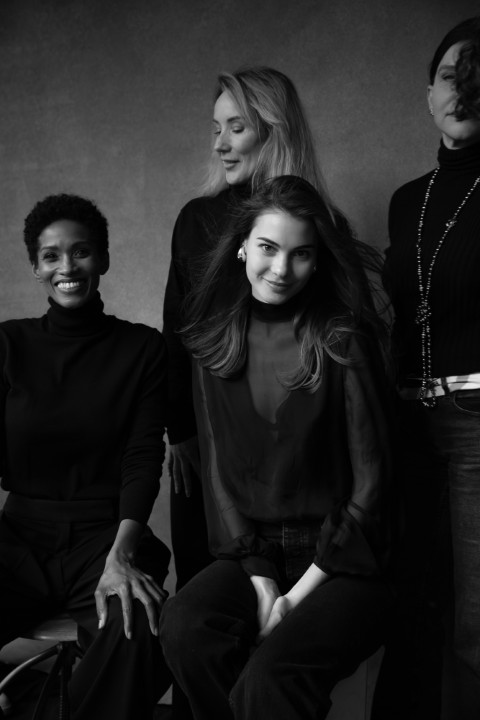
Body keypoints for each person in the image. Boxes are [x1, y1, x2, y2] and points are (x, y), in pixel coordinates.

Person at [159, 175, 396, 720]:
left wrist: (293, 597)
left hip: (345, 562)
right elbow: (218, 476)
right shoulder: (214, 341)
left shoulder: (342, 339)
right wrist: (263, 580)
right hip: (256, 549)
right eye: (268, 247)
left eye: (301, 254)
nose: (281, 269)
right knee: (184, 626)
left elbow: (372, 490)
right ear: (242, 246)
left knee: (271, 677)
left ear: (318, 261)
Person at [162, 67, 332, 597]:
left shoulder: (319, 224)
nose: (220, 145)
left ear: (274, 130)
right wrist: (180, 433)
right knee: (204, 592)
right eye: (216, 129)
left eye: (236, 128)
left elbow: (337, 344)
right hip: (208, 436)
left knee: (290, 606)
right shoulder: (196, 220)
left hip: (293, 445)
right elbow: (176, 332)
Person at [0, 194, 171, 719]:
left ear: (103, 259)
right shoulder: (8, 344)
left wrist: (121, 557)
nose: (67, 267)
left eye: (81, 252)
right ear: (36, 267)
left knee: (139, 625)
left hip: (106, 534)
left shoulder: (143, 348)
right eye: (51, 256)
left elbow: (143, 458)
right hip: (18, 538)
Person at [371, 17, 480, 720]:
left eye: (478, 79)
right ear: (428, 93)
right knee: (410, 600)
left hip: (476, 426)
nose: (462, 91)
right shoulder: (406, 200)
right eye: (449, 75)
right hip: (408, 421)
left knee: (476, 617)